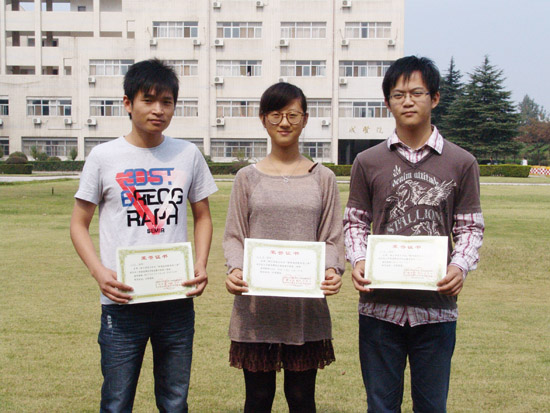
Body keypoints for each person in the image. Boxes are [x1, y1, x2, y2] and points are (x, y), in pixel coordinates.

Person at [70, 59, 218, 412]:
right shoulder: (104, 157)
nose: (158, 110)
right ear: (128, 103)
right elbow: (78, 224)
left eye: (167, 102)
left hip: (176, 300)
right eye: (148, 100)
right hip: (122, 300)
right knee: (117, 401)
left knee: (175, 401)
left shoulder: (187, 154)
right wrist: (99, 272)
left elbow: (203, 216)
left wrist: (200, 263)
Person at [343, 56, 484, 412]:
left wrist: (459, 266)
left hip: (436, 311)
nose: (408, 101)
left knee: (432, 406)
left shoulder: (461, 162)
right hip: (379, 309)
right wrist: (358, 259)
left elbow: (469, 226)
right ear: (387, 102)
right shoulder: (368, 161)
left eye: (417, 93)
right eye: (398, 94)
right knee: (381, 406)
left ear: (434, 98)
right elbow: (355, 221)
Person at [223, 82, 345, 413]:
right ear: (263, 119)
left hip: (304, 308)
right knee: (258, 399)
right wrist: (235, 268)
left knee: (302, 398)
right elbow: (234, 235)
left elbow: (332, 236)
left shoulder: (323, 178)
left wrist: (332, 269)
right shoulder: (246, 178)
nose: (284, 123)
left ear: (305, 119)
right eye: (276, 114)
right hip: (256, 308)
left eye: (293, 114)